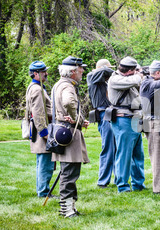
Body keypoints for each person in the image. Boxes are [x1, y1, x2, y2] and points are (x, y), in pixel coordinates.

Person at [51, 56, 90, 218]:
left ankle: (69, 208)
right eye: (80, 69)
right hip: (69, 132)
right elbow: (68, 103)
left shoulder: (59, 84)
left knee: (69, 171)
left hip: (62, 130)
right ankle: (66, 210)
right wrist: (77, 119)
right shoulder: (68, 86)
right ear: (73, 71)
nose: (82, 71)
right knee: (69, 173)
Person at [107, 56, 145, 193]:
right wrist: (140, 74)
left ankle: (138, 183)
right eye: (134, 70)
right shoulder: (115, 79)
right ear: (129, 71)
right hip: (123, 119)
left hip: (134, 117)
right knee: (124, 154)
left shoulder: (129, 78)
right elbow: (135, 80)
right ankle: (122, 185)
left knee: (138, 154)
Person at [140, 60, 160, 195]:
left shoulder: (157, 80)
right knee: (158, 158)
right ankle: (157, 189)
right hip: (152, 122)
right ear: (158, 72)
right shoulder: (148, 82)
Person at [25, 60, 55, 198]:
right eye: (43, 72)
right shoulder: (37, 89)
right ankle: (43, 192)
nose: (46, 74)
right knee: (45, 164)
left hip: (39, 129)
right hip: (41, 130)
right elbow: (38, 113)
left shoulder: (36, 86)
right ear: (35, 74)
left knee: (42, 162)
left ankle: (42, 190)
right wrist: (45, 133)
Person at [86, 59, 116, 188]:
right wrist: (119, 71)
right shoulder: (92, 76)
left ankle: (117, 178)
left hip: (108, 114)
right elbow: (105, 71)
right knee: (108, 148)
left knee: (115, 148)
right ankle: (103, 181)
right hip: (104, 115)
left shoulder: (100, 80)